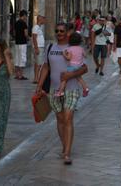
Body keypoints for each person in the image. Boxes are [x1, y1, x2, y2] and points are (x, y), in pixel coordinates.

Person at [35, 22, 88, 165]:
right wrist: (39, 85)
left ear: (67, 33)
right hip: (54, 89)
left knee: (68, 118)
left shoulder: (74, 48)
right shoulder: (50, 47)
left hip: (71, 88)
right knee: (60, 119)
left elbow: (84, 69)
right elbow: (46, 67)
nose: (59, 33)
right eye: (57, 31)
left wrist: (70, 76)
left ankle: (67, 153)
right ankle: (65, 147)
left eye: (61, 31)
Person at [57, 33, 90, 97]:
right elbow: (85, 55)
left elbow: (68, 58)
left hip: (72, 66)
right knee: (79, 78)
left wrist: (64, 54)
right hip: (79, 66)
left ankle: (60, 91)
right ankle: (85, 88)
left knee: (64, 78)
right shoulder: (81, 48)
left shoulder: (70, 49)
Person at [13, 10, 30, 80]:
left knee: (17, 58)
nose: (27, 17)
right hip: (22, 43)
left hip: (17, 43)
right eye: (26, 16)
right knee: (22, 58)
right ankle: (21, 75)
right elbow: (25, 34)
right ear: (24, 15)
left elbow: (14, 33)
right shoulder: (24, 23)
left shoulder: (16, 23)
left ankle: (17, 74)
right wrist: (29, 38)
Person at [32, 15, 46, 84]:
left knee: (38, 63)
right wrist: (36, 48)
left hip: (40, 47)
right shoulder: (36, 27)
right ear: (40, 19)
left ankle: (36, 77)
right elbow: (34, 38)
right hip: (38, 47)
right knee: (39, 63)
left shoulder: (39, 28)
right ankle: (36, 78)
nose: (44, 20)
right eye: (43, 19)